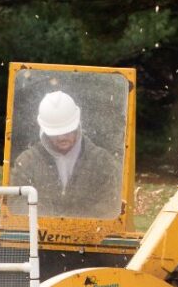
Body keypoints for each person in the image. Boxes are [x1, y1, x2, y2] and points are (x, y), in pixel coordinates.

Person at [9, 90, 121, 218]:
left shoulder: (102, 161)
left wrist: (78, 222)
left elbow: (111, 203)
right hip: (38, 234)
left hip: (90, 235)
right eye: (55, 133)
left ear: (77, 125)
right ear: (44, 130)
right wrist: (46, 219)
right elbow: (16, 202)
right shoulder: (26, 161)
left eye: (67, 131)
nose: (62, 137)